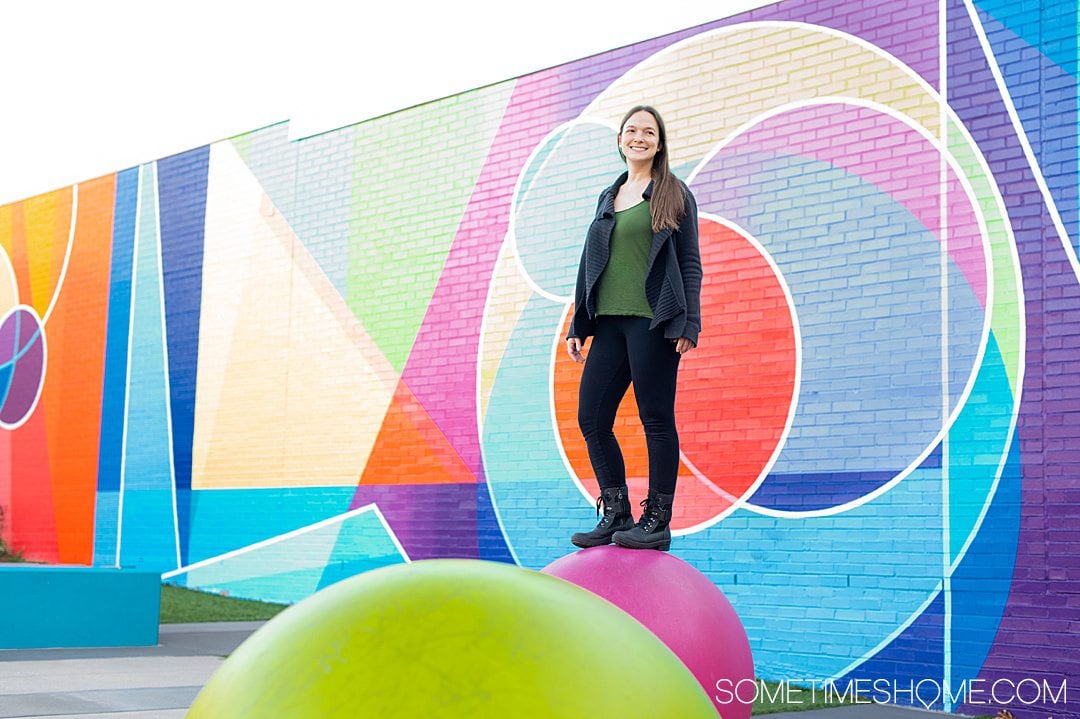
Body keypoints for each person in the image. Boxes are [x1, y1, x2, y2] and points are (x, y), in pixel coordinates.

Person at [567, 104, 702, 552]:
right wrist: (578, 324)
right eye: (631, 130)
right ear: (621, 140)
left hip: (654, 320)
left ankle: (657, 521)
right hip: (608, 323)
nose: (639, 137)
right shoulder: (609, 195)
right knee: (592, 417)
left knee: (655, 419)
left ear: (659, 143)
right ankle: (617, 512)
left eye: (648, 131)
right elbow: (591, 264)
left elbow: (688, 262)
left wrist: (689, 321)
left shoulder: (673, 193)